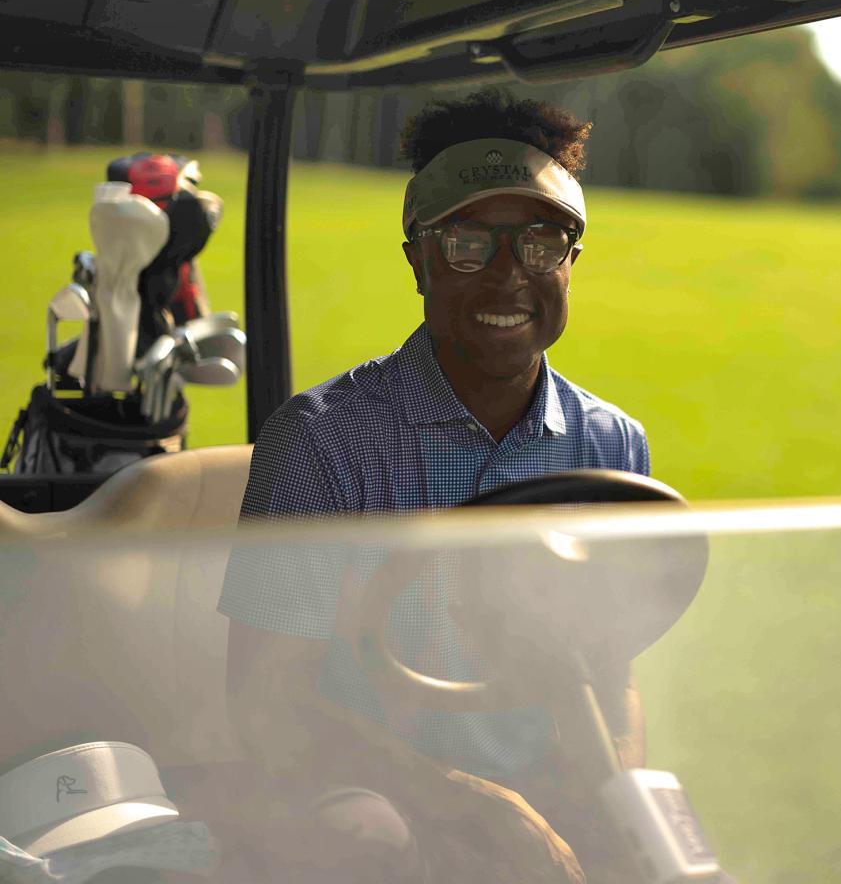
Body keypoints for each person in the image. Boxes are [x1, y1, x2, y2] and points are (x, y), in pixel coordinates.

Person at [214, 89, 650, 883]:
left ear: (572, 261)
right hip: (373, 790)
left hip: (539, 793)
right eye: (468, 245)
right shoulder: (321, 442)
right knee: (366, 840)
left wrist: (614, 802)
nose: (509, 276)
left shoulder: (611, 445)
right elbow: (268, 702)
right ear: (417, 258)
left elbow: (608, 677)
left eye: (542, 244)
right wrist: (459, 799)